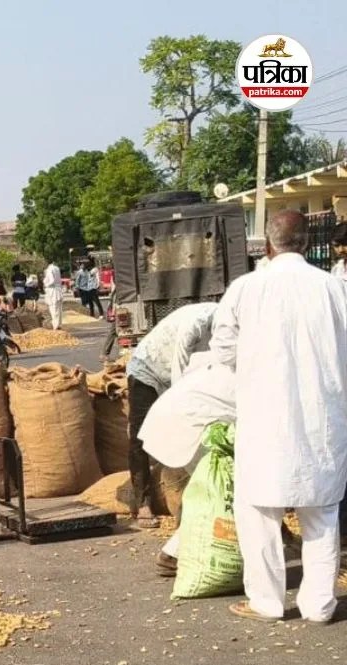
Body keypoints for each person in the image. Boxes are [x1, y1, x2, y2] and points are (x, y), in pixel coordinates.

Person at [209, 210, 347, 623]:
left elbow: (223, 349)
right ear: (306, 243)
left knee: (258, 512)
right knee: (321, 512)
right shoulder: (333, 288)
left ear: (268, 245)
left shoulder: (246, 289)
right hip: (323, 417)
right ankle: (319, 604)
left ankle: (266, 602)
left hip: (264, 416)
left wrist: (255, 366)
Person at [125, 302, 217, 534]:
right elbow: (180, 371)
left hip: (181, 375)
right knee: (140, 437)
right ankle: (143, 502)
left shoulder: (235, 331)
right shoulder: (198, 322)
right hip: (149, 369)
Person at [42, 262, 63, 330]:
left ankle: (55, 325)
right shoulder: (57, 268)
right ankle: (59, 324)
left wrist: (46, 285)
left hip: (52, 291)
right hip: (58, 290)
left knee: (53, 309)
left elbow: (52, 280)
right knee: (59, 309)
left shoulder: (49, 270)